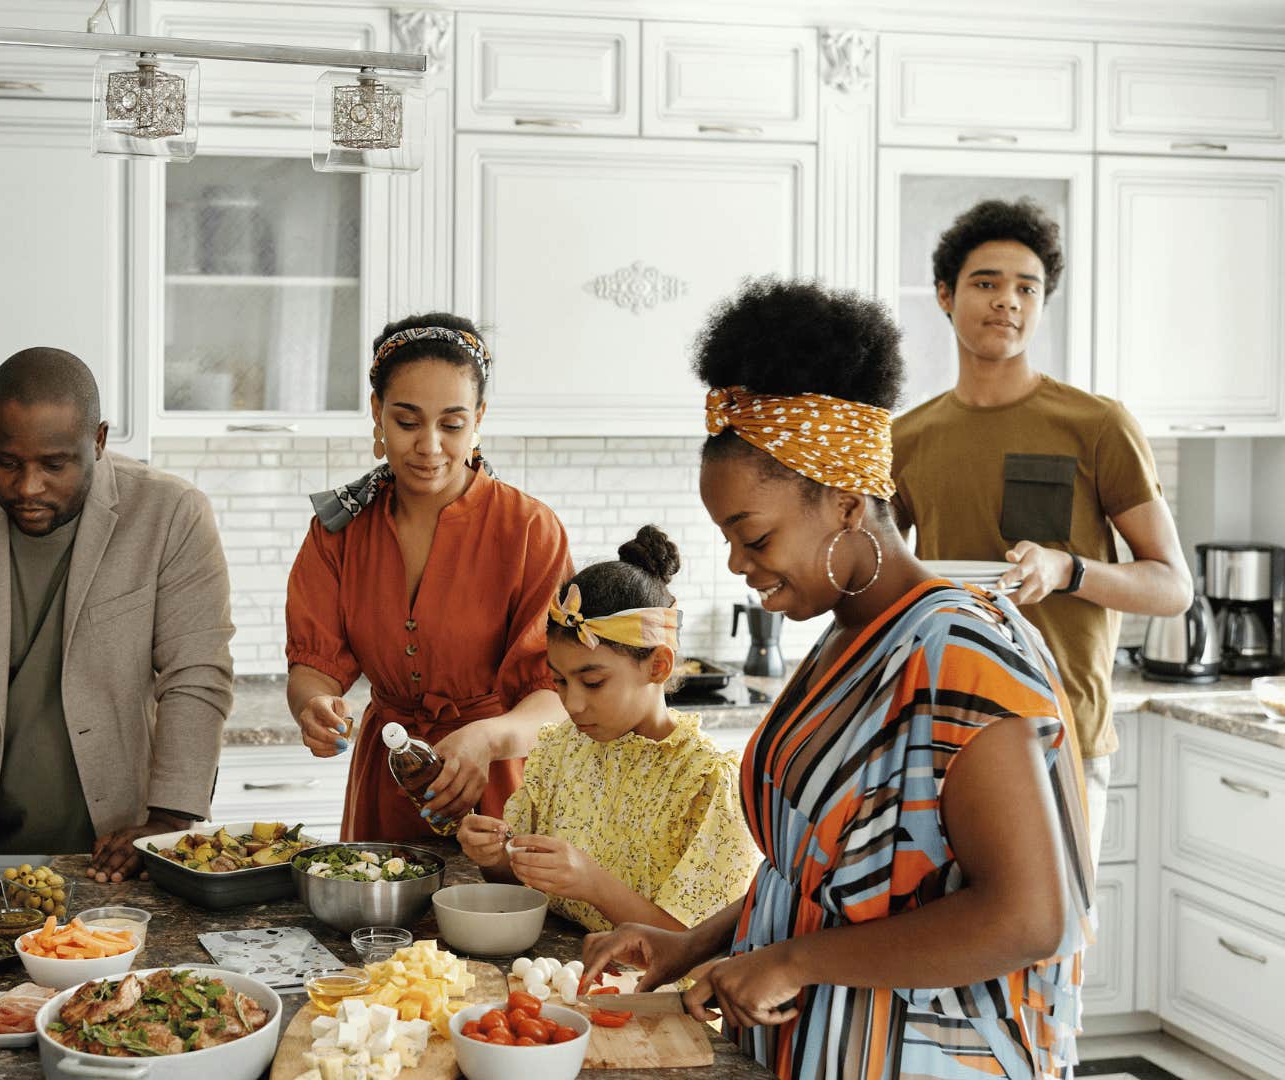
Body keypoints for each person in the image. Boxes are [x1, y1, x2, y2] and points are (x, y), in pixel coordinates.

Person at [583, 279, 1094, 1078]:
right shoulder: (845, 638)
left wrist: (796, 963)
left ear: (848, 505)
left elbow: (1028, 917)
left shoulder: (959, 654)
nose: (737, 563)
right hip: (812, 1049)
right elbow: (821, 877)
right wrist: (697, 943)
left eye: (751, 533)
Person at [0, 347, 234, 884]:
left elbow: (196, 675)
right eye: (7, 461)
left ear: (100, 441)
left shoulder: (171, 515)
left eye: (55, 464)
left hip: (124, 849)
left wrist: (168, 823)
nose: (27, 487)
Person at [894, 198, 1190, 851]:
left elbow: (1172, 587)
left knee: (1054, 947)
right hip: (944, 733)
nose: (1008, 301)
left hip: (1060, 733)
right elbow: (874, 579)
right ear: (944, 296)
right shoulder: (907, 439)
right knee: (943, 947)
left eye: (1026, 287)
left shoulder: (1096, 424)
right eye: (986, 283)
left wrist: (1068, 570)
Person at [286, 314, 571, 842]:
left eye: (452, 424)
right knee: (378, 922)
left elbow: (556, 694)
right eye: (408, 421)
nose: (430, 446)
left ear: (479, 418)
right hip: (385, 781)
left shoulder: (530, 530)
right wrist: (314, 706)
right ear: (377, 413)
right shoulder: (338, 533)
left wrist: (486, 740)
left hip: (501, 785)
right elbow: (313, 664)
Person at [457, 526, 758, 934]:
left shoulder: (707, 784)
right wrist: (494, 857)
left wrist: (592, 883)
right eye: (559, 681)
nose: (572, 704)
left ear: (658, 666)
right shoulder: (559, 750)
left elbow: (693, 945)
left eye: (593, 682)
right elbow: (522, 885)